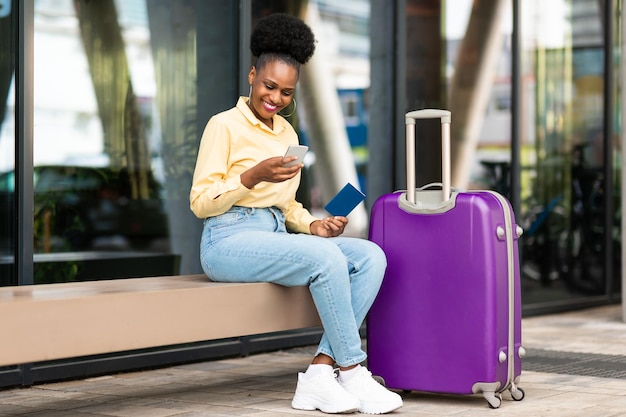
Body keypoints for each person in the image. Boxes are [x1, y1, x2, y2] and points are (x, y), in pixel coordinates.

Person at [189, 13, 403, 415]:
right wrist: (253, 175)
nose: (276, 98)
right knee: (325, 259)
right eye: (270, 86)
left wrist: (314, 224)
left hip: (274, 235)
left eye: (287, 93)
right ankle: (353, 370)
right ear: (252, 76)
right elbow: (200, 202)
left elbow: (286, 206)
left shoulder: (287, 134)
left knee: (371, 256)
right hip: (227, 239)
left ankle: (321, 373)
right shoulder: (224, 126)